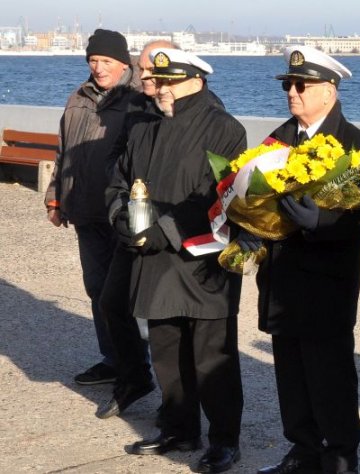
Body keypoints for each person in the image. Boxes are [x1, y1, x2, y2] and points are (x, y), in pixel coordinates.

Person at [107, 47, 246, 473]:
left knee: (212, 357)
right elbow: (119, 184)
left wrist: (163, 231)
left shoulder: (224, 128)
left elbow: (217, 196)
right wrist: (123, 222)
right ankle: (178, 426)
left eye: (169, 82)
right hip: (153, 260)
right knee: (166, 350)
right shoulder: (143, 127)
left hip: (202, 262)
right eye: (158, 81)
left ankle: (224, 439)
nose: (160, 89)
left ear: (196, 81)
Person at [255, 46, 360, 474]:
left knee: (331, 377)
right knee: (291, 376)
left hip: (326, 282)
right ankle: (303, 450)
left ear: (328, 90)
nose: (291, 91)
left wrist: (320, 221)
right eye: (287, 84)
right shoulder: (280, 138)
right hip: (282, 278)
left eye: (300, 85)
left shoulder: (352, 143)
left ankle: (341, 456)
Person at [45, 28, 144, 386]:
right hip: (84, 209)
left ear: (123, 63)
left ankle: (135, 364)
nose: (98, 67)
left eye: (106, 61)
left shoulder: (137, 98)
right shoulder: (78, 97)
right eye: (93, 60)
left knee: (122, 293)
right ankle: (113, 358)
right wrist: (55, 198)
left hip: (120, 212)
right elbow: (63, 150)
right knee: (96, 289)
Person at [96, 39, 179, 420]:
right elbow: (119, 163)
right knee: (113, 303)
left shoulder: (198, 113)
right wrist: (118, 211)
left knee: (167, 324)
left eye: (150, 69)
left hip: (169, 233)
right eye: (141, 69)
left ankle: (179, 408)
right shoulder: (135, 107)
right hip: (132, 227)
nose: (143, 75)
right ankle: (134, 377)